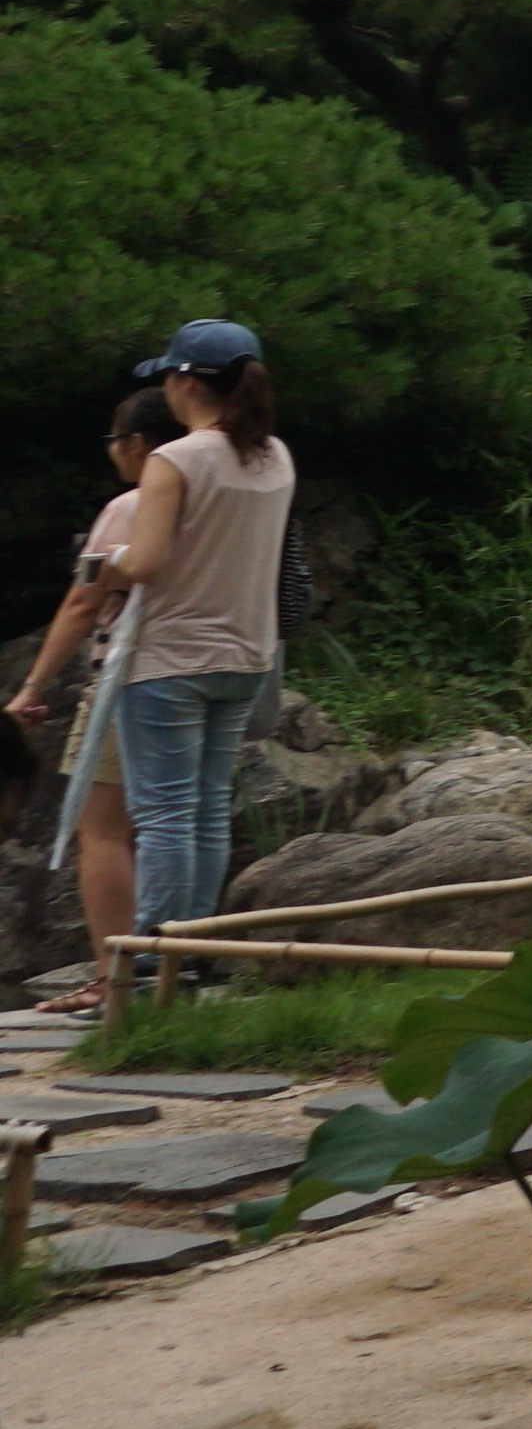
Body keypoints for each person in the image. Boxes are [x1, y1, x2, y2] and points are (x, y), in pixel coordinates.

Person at [105, 318, 296, 968]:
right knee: (209, 810)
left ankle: (153, 960)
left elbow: (146, 563)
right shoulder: (275, 455)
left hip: (171, 659)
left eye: (168, 374)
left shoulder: (175, 460)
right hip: (247, 657)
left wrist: (103, 562)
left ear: (187, 382)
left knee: (164, 814)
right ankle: (195, 951)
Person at [6, 388, 178, 1020]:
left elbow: (83, 603)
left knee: (101, 830)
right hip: (210, 677)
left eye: (114, 440)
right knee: (180, 823)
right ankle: (177, 966)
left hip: (130, 680)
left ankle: (114, 979)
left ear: (138, 445)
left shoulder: (131, 509)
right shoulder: (227, 499)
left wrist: (32, 687)